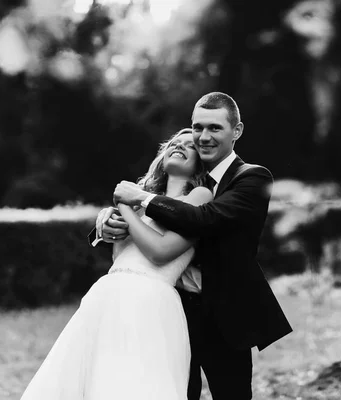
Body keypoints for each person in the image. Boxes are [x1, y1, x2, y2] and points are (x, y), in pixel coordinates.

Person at [97, 92, 293, 400]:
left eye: (215, 128)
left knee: (232, 394)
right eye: (197, 127)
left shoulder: (252, 178)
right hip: (170, 308)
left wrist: (140, 199)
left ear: (236, 131)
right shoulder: (180, 184)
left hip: (222, 313)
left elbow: (204, 219)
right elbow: (155, 212)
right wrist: (107, 219)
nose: (203, 136)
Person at [21, 129, 213, 400]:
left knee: (138, 380)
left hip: (151, 298)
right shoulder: (140, 199)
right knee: (96, 377)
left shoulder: (199, 196)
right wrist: (109, 216)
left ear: (200, 162)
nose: (178, 146)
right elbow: (119, 256)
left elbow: (159, 253)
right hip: (108, 293)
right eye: (174, 143)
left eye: (189, 145)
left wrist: (124, 204)